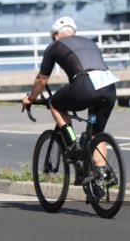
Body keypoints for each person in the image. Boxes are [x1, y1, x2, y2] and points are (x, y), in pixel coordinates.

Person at [21, 16, 120, 188]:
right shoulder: (90, 42)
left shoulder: (54, 46)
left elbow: (42, 78)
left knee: (55, 103)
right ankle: (101, 174)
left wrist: (30, 98)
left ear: (55, 36)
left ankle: (73, 143)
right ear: (74, 33)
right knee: (96, 133)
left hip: (85, 85)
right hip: (109, 86)